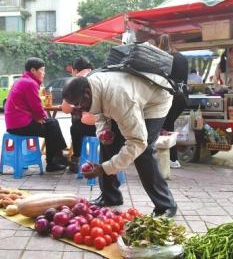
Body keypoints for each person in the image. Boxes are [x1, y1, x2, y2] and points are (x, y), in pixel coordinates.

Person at [62, 71, 177, 217]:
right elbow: (98, 111)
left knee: (143, 152)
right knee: (108, 141)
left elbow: (137, 142)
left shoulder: (119, 98)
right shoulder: (91, 87)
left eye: (78, 104)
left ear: (87, 93)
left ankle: (166, 205)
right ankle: (110, 196)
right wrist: (104, 131)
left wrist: (104, 168)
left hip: (155, 100)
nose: (78, 109)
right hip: (130, 95)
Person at [4, 57, 68, 172]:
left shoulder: (22, 81)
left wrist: (39, 117)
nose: (44, 73)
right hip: (20, 125)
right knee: (52, 125)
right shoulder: (29, 83)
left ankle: (57, 159)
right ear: (33, 70)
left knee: (52, 124)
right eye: (42, 70)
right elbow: (36, 106)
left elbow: (31, 107)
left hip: (15, 124)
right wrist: (40, 117)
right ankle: (56, 159)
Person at [156, 34, 189, 168]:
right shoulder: (182, 58)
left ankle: (172, 159)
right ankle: (169, 157)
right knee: (168, 124)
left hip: (170, 95)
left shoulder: (163, 57)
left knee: (167, 125)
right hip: (183, 96)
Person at [61, 57, 96, 172]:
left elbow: (65, 109)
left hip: (89, 126)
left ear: (75, 70)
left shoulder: (76, 81)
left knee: (75, 127)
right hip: (108, 127)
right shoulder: (99, 76)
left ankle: (77, 158)